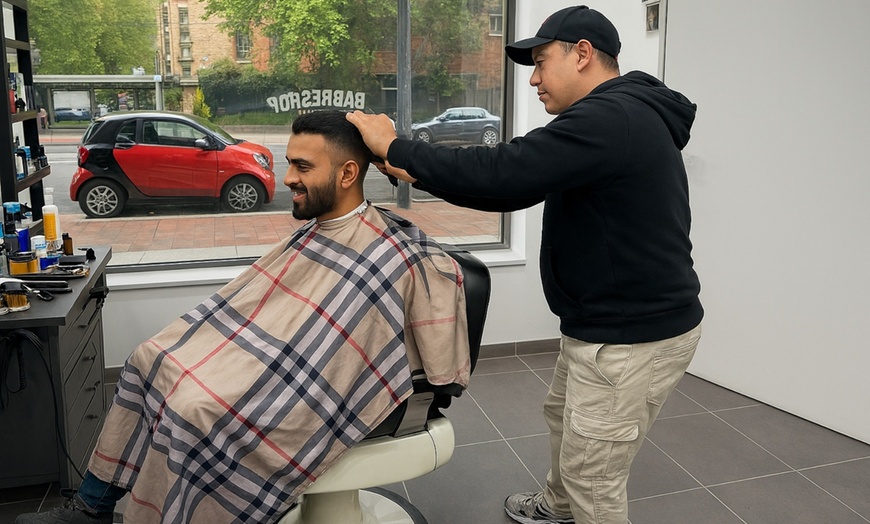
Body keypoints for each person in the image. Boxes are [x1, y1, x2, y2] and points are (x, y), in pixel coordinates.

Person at [16, 110, 470, 524]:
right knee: (148, 358)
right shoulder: (318, 233)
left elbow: (374, 349)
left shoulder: (394, 253)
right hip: (276, 360)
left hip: (318, 389)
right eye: (289, 162)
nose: (288, 177)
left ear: (348, 172)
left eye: (303, 167)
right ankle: (92, 509)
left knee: (196, 410)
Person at [346, 5, 702, 524]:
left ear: (582, 54)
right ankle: (557, 508)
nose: (533, 80)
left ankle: (572, 505)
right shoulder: (617, 117)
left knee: (593, 479)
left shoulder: (610, 117)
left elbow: (505, 170)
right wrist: (410, 167)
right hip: (607, 326)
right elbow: (513, 190)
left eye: (540, 62)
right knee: (565, 422)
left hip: (630, 336)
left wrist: (399, 144)